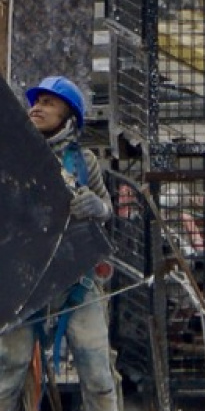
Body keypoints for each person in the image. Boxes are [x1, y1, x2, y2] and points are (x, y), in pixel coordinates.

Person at [0, 76, 117, 411]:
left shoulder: (85, 163)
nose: (37, 108)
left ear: (69, 117)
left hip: (74, 282)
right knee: (8, 372)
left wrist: (97, 207)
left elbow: (106, 209)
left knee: (97, 371)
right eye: (36, 102)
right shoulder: (12, 162)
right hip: (24, 282)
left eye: (48, 103)